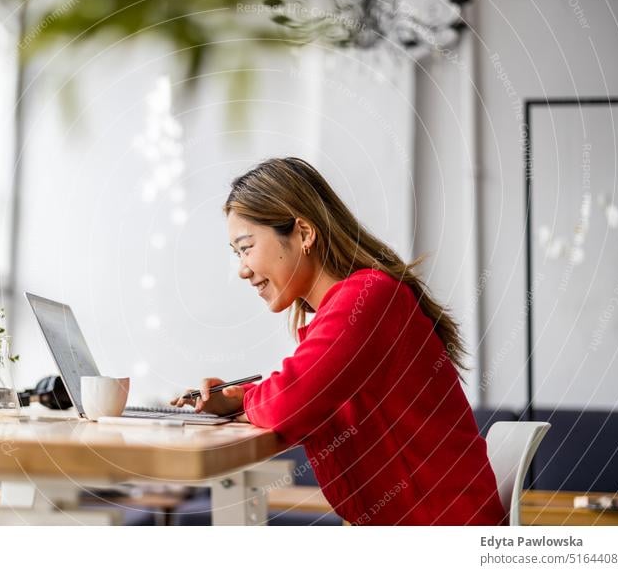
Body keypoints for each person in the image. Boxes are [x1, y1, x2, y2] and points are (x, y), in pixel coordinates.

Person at [171, 157, 506, 526]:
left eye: (247, 247)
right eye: (237, 254)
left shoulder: (367, 297)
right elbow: (302, 391)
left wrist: (249, 399)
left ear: (303, 233)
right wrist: (238, 400)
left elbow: (290, 403)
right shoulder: (355, 303)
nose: (242, 269)